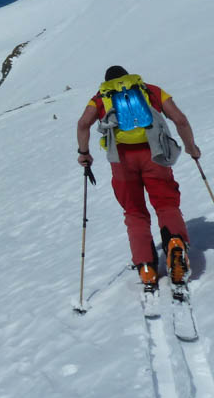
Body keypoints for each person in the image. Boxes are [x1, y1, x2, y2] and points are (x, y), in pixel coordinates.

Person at [76, 65, 202, 291]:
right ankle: (175, 244)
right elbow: (180, 120)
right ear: (128, 77)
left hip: (121, 161)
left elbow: (83, 124)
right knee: (166, 203)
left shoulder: (101, 98)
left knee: (134, 212)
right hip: (154, 154)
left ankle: (146, 266)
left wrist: (84, 153)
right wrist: (191, 148)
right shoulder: (150, 90)